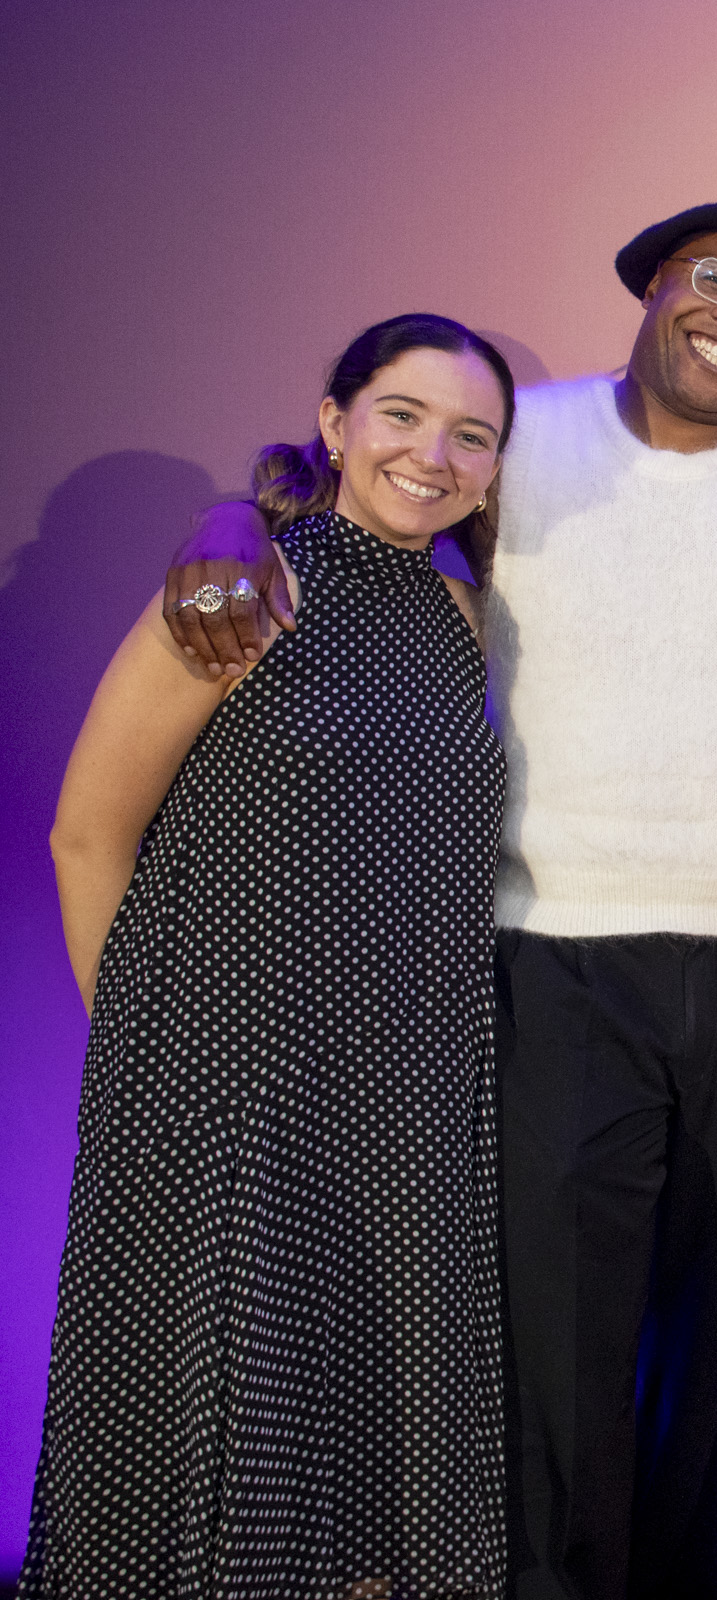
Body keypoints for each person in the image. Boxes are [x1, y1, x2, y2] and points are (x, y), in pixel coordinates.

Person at [163, 196, 717, 1600]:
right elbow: (349, 490)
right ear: (652, 285)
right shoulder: (526, 435)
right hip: (554, 958)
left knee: (715, 1343)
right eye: (714, 280)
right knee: (562, 1349)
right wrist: (228, 514)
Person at [32, 314, 515, 1597]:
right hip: (230, 1092)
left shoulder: (468, 618)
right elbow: (88, 834)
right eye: (402, 415)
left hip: (410, 1094)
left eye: (472, 435)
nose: (433, 454)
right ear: (335, 423)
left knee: (375, 1460)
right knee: (224, 1434)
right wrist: (146, 1053)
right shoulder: (249, 586)